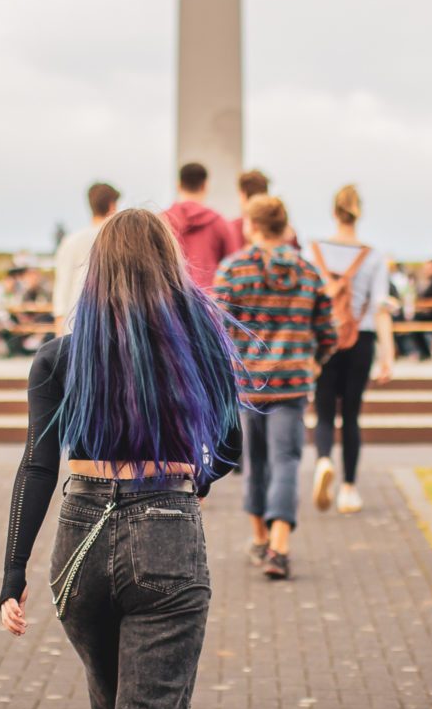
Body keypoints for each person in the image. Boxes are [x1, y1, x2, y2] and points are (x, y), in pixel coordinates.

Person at [0, 207, 244, 709]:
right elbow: (229, 448)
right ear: (168, 264)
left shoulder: (59, 357)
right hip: (166, 526)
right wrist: (193, 480)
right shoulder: (199, 341)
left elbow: (37, 466)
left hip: (78, 543)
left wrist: (11, 576)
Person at [215, 196, 335, 581]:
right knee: (286, 461)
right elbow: (328, 333)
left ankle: (260, 538)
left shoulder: (233, 269)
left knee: (255, 464)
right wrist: (313, 360)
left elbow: (215, 327)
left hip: (249, 384)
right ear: (284, 227)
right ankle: (280, 547)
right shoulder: (308, 271)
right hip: (293, 383)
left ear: (251, 226)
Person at [308, 185, 395, 516]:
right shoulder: (373, 256)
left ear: (334, 212)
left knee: (325, 412)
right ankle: (348, 489)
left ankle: (324, 460)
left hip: (323, 340)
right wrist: (388, 355)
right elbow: (380, 308)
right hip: (362, 338)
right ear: (360, 213)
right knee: (353, 416)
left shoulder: (313, 252)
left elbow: (308, 303)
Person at [53, 182, 120, 331]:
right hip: (111, 323)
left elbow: (63, 285)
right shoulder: (120, 240)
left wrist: (59, 325)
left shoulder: (71, 241)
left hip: (75, 320)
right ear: (112, 205)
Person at [165, 163, 239, 289]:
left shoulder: (161, 221)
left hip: (170, 301)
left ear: (178, 185)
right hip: (208, 301)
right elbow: (235, 266)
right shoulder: (219, 222)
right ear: (205, 186)